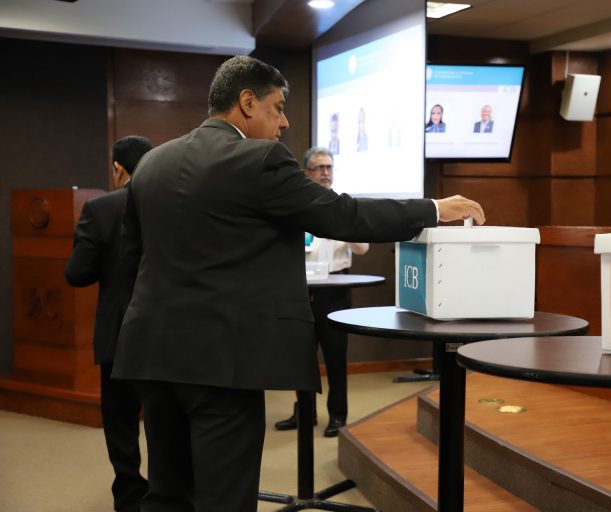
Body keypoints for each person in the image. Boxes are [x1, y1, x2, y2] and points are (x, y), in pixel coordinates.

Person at [111, 55, 485, 512]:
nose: (285, 122)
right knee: (224, 498)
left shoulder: (152, 163)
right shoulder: (259, 159)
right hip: (223, 363)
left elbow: (130, 261)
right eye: (278, 107)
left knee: (167, 494)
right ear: (247, 102)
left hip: (151, 353)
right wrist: (432, 209)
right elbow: (342, 215)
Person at [65, 135, 154, 512]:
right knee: (165, 417)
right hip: (167, 331)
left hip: (119, 332)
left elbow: (77, 273)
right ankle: (167, 492)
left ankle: (130, 494)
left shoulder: (100, 209)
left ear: (118, 169)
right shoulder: (175, 202)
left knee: (120, 422)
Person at [274, 147, 368, 437]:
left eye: (329, 167)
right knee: (301, 358)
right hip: (300, 289)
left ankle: (338, 415)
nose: (326, 172)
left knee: (335, 357)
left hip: (334, 290)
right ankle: (305, 413)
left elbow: (362, 248)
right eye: (319, 167)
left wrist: (341, 224)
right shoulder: (296, 205)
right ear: (307, 173)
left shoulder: (344, 206)